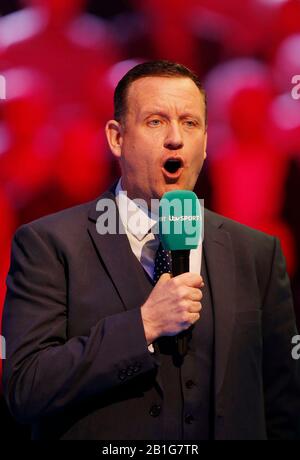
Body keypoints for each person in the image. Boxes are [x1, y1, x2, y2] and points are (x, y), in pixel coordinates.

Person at [2, 60, 300, 440]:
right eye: (156, 121)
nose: (176, 138)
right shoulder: (48, 245)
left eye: (190, 123)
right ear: (116, 138)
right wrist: (143, 325)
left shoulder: (256, 253)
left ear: (206, 142)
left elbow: (282, 407)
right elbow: (26, 388)